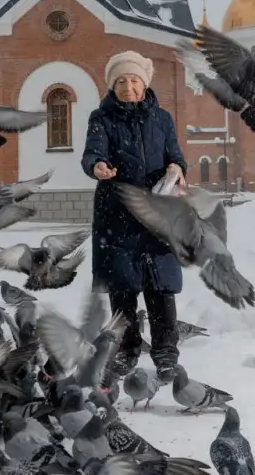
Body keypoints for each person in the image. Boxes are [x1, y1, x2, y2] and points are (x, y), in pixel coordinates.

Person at [81, 50, 188, 384]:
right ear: (113, 86)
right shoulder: (101, 118)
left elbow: (176, 155)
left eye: (134, 80)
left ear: (144, 83)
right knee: (123, 290)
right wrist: (97, 166)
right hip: (118, 213)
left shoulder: (163, 120)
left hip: (156, 213)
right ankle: (126, 351)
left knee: (160, 289)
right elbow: (92, 152)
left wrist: (177, 168)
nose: (128, 87)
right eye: (121, 81)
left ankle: (166, 355)